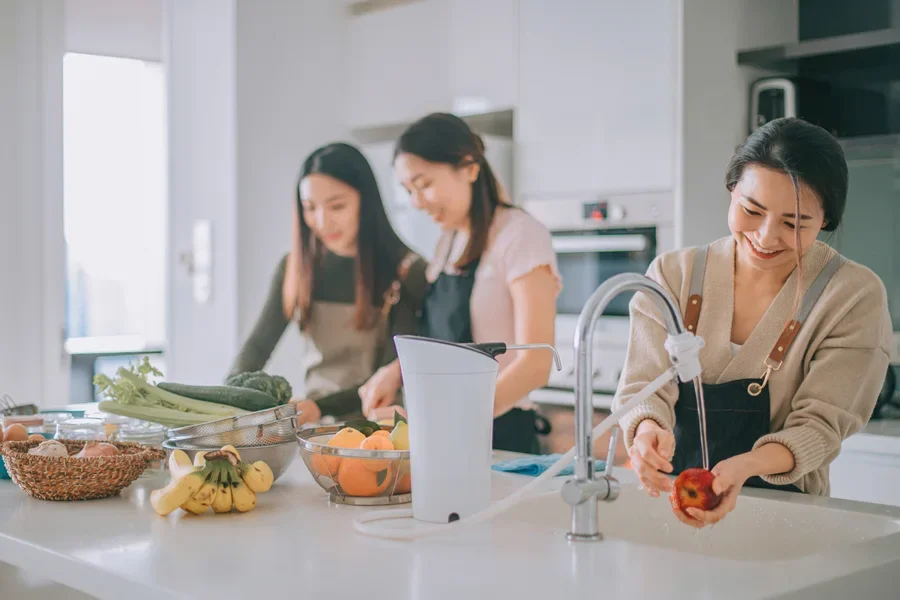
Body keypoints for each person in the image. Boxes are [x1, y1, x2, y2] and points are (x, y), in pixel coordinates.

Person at [615, 117, 892, 528]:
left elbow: (820, 426)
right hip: (670, 508)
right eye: (751, 210)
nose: (765, 237)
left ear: (826, 222)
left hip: (787, 518)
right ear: (731, 191)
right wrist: (646, 432)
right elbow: (644, 385)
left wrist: (746, 467)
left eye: (794, 223)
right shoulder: (673, 273)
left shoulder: (852, 295)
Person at [359, 113, 561, 454]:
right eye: (409, 190)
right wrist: (396, 371)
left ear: (468, 167)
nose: (416, 202)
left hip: (501, 436)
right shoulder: (448, 242)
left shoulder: (520, 235)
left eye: (424, 184)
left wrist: (449, 418)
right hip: (444, 436)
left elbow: (536, 364)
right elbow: (445, 343)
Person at [227, 142, 428, 424]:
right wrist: (223, 404)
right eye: (310, 208)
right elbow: (257, 348)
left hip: (380, 431)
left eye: (337, 206)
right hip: (314, 429)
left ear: (365, 201)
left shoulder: (406, 271)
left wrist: (319, 407)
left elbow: (391, 372)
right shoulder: (295, 268)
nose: (322, 222)